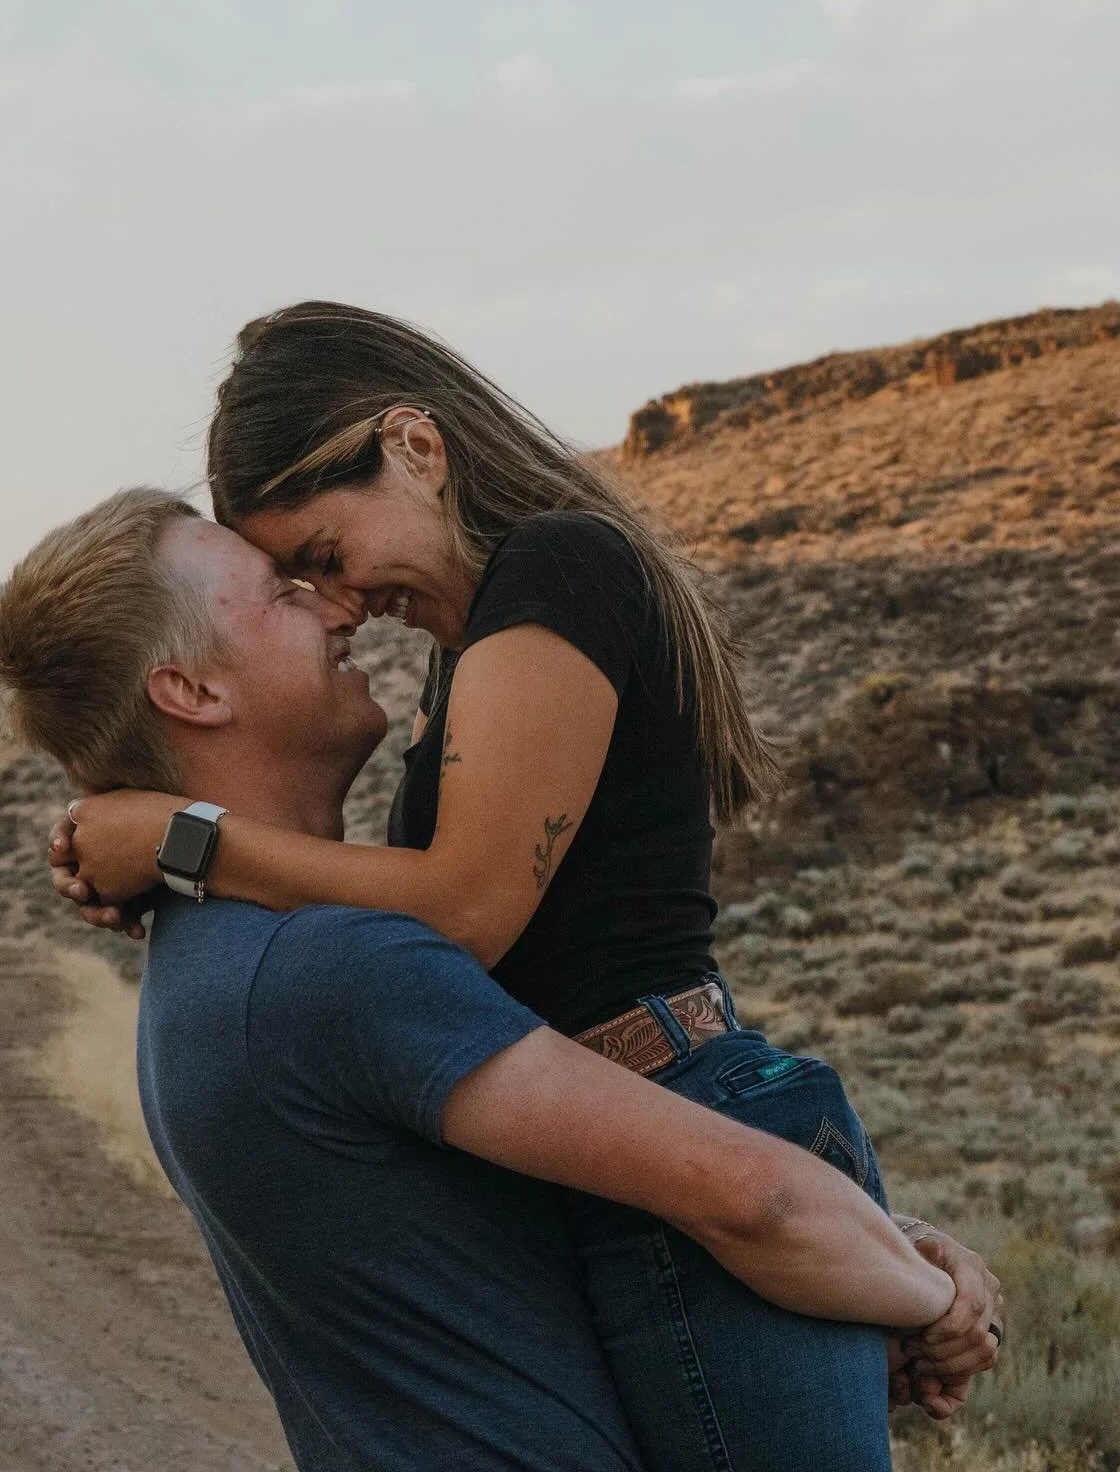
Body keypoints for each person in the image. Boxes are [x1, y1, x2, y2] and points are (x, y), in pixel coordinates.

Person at [49, 305, 1004, 1467]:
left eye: (326, 557)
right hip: (645, 1143)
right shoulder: (479, 653)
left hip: (690, 1115)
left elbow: (463, 909)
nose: (341, 605)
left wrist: (182, 841)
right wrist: (163, 876)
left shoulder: (557, 567)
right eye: (298, 582)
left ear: (413, 445)